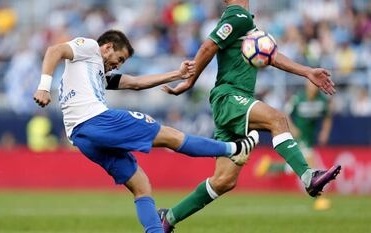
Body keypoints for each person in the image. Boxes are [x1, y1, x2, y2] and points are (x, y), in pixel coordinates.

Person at [33, 30, 259, 233]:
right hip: (96, 120)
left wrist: (176, 74)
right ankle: (234, 148)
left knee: (141, 185)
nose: (118, 65)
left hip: (81, 137)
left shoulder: (96, 74)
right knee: (170, 136)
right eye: (119, 58)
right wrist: (44, 86)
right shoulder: (90, 47)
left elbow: (136, 83)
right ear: (108, 46)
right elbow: (56, 49)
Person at [159, 0, 341, 231]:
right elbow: (208, 47)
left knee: (224, 181)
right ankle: (308, 176)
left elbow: (271, 56)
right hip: (230, 97)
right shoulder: (237, 15)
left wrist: (307, 72)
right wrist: (190, 81)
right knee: (278, 119)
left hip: (234, 103)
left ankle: (168, 218)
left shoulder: (247, 22)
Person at [255, 81, 334, 210]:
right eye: (311, 84)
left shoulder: (321, 100)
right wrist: (292, 128)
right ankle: (320, 199)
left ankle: (272, 166)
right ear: (307, 85)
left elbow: (327, 116)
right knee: (310, 165)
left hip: (309, 137)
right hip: (299, 135)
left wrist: (325, 131)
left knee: (299, 166)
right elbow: (284, 113)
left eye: (315, 85)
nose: (313, 87)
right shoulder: (298, 99)